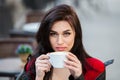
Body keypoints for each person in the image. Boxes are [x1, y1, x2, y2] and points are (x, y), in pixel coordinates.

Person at [17, 4, 105, 80]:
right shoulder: (34, 65)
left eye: (66, 34)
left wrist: (79, 77)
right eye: (53, 34)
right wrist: (39, 77)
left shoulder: (95, 69)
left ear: (76, 34)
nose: (59, 41)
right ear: (46, 36)